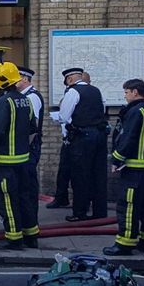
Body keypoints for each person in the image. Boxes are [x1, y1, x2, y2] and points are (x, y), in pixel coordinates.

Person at [104, 79, 144, 256]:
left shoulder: (136, 112)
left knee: (128, 206)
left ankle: (125, 243)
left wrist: (116, 159)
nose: (125, 95)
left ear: (135, 92)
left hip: (135, 168)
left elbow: (128, 137)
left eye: (127, 92)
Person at [0, 62, 38, 250]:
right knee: (25, 198)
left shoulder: (4, 102)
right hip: (23, 161)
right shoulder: (26, 100)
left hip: (5, 163)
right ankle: (31, 236)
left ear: (1, 81)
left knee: (7, 200)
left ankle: (14, 239)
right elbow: (33, 128)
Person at [55, 67, 108, 222]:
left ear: (70, 79)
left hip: (82, 138)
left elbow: (63, 116)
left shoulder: (73, 92)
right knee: (98, 175)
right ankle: (100, 211)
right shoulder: (96, 91)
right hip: (99, 136)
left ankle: (80, 212)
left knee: (80, 175)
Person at [16, 66, 44, 239]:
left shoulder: (31, 97)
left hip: (29, 148)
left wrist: (23, 146)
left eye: (17, 77)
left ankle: (31, 225)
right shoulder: (24, 97)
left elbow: (32, 127)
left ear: (25, 79)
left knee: (28, 187)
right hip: (27, 148)